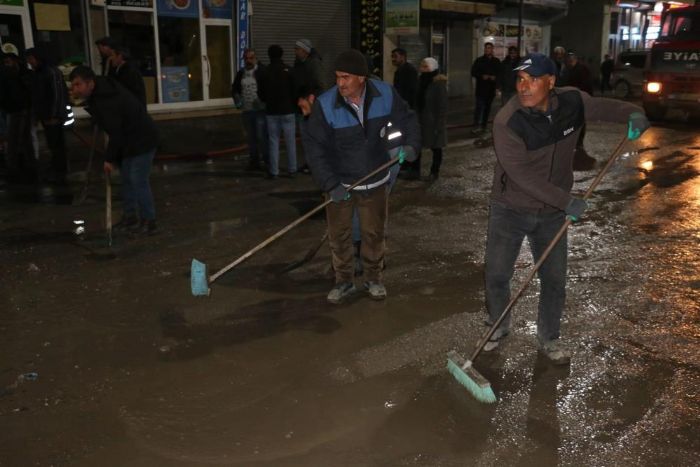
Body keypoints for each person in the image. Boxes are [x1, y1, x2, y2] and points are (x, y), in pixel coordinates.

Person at [482, 53, 650, 364]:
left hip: (551, 214)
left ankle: (549, 337)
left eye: (532, 79)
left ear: (551, 81)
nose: (524, 86)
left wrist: (633, 112)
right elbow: (521, 176)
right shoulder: (508, 121)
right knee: (497, 273)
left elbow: (605, 107)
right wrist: (565, 200)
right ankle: (498, 325)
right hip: (511, 207)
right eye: (520, 79)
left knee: (554, 279)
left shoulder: (573, 102)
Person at [302, 49, 420, 303]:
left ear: (361, 78)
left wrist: (411, 145)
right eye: (337, 77)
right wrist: (330, 184)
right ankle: (343, 281)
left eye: (345, 77)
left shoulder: (385, 94)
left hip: (375, 181)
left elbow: (407, 119)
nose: (340, 83)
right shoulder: (325, 104)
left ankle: (373, 278)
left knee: (373, 234)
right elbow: (315, 149)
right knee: (340, 237)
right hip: (340, 184)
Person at [69, 66, 159, 235]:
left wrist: (109, 159)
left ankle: (149, 220)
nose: (74, 89)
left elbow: (116, 132)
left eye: (77, 85)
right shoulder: (99, 92)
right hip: (128, 139)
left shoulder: (108, 98)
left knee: (137, 179)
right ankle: (130, 217)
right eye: (73, 85)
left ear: (90, 83)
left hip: (142, 138)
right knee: (127, 179)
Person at [25, 47, 69, 184]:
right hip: (46, 115)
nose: (30, 62)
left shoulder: (50, 72)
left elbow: (57, 95)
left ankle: (59, 171)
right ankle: (56, 169)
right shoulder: (39, 73)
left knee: (56, 145)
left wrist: (54, 114)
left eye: (31, 59)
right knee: (53, 144)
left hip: (53, 116)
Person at [257, 45, 296, 179]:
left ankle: (274, 171)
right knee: (290, 141)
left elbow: (261, 93)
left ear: (269, 55)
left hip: (272, 111)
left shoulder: (265, 72)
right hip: (288, 110)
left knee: (273, 141)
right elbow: (294, 90)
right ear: (282, 54)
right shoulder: (289, 70)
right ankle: (292, 169)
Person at [0, 44, 34, 184]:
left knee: (17, 138)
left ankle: (17, 166)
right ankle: (21, 164)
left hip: (17, 109)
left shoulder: (18, 73)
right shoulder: (14, 72)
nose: (7, 63)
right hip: (14, 108)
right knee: (18, 138)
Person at [232, 48, 268, 171]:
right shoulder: (241, 73)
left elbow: (269, 88)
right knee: (251, 138)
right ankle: (254, 161)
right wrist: (237, 99)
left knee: (261, 136)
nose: (249, 60)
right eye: (246, 58)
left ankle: (267, 160)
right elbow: (235, 88)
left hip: (260, 111)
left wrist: (263, 101)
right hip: (247, 110)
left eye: (251, 58)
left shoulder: (262, 71)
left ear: (255, 58)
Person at [417, 57, 448, 181]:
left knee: (436, 147)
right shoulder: (421, 81)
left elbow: (442, 106)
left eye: (425, 66)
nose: (422, 69)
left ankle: (434, 172)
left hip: (432, 122)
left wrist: (439, 125)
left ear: (432, 67)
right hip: (421, 120)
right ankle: (414, 170)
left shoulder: (438, 84)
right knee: (417, 145)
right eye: (422, 66)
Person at [390, 48, 420, 178]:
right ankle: (404, 165)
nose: (393, 59)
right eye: (392, 56)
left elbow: (412, 91)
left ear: (403, 57)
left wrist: (409, 109)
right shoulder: (399, 71)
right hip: (400, 111)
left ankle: (413, 169)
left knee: (410, 139)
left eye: (395, 56)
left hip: (407, 110)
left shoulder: (410, 71)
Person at [563, 51, 595, 168]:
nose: (568, 62)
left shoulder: (581, 70)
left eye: (570, 60)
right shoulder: (568, 70)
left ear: (574, 59)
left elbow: (586, 86)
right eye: (567, 60)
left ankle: (578, 144)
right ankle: (575, 144)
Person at [470, 42, 500, 134]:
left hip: (491, 89)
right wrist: (482, 76)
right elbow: (473, 72)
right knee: (479, 108)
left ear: (492, 49)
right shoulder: (479, 60)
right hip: (481, 89)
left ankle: (484, 126)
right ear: (484, 49)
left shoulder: (496, 61)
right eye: (487, 48)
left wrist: (495, 78)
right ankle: (476, 126)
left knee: (487, 108)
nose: (488, 50)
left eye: (490, 48)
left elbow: (500, 73)